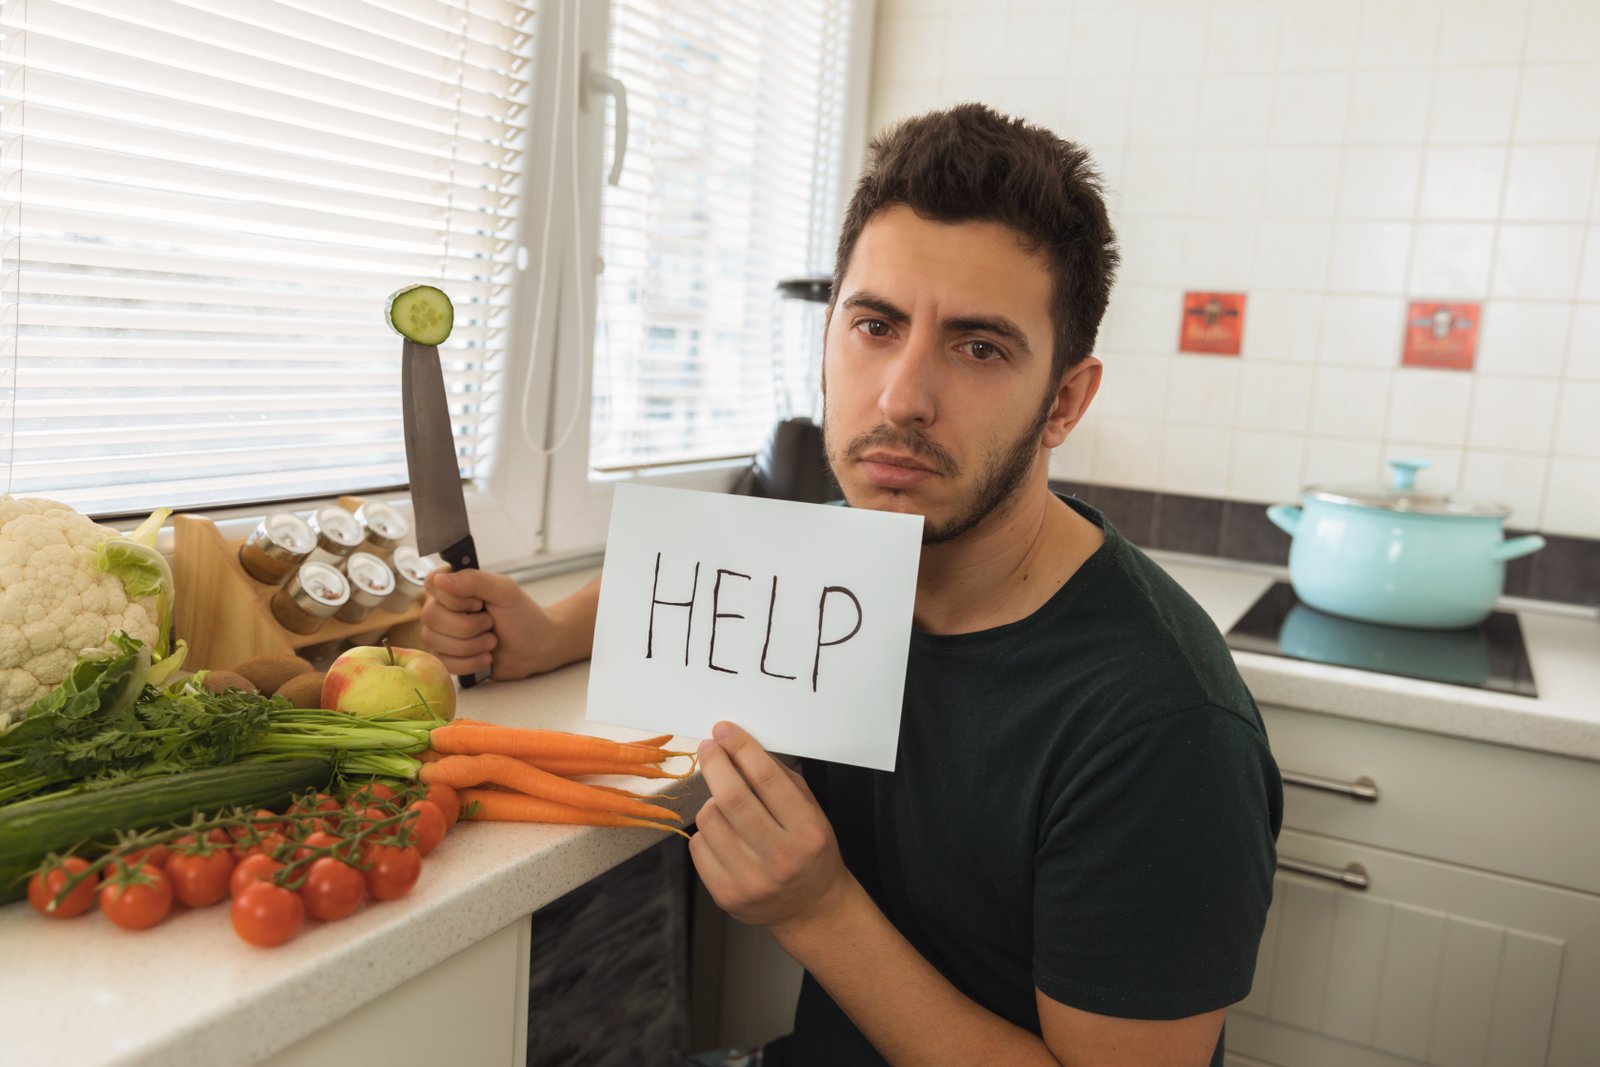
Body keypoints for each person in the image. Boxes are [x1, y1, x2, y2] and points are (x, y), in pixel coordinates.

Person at [421, 103, 1282, 1067]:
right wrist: (546, 631)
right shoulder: (857, 558)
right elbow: (709, 561)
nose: (901, 396)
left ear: (1066, 402)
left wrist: (819, 910)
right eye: (875, 325)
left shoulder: (1162, 724)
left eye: (980, 347)